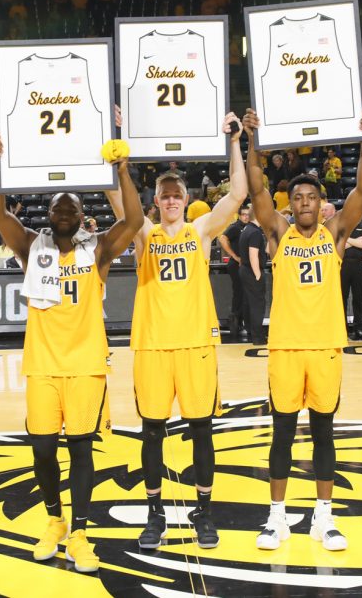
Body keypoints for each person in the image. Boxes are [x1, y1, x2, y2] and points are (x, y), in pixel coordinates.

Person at [0, 129, 142, 572]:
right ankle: (54, 520)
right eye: (58, 207)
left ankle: (81, 532)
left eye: (72, 207)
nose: (65, 213)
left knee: (81, 451)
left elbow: (132, 220)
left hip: (86, 365)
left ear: (82, 215)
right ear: (48, 215)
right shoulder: (31, 246)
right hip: (42, 366)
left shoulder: (99, 249)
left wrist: (123, 170)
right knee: (41, 451)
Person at [106, 113, 246, 550]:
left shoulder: (200, 230)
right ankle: (155, 514)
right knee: (152, 432)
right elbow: (115, 194)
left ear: (186, 200)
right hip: (152, 348)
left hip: (195, 347)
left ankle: (204, 512)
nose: (169, 200)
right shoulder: (143, 234)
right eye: (163, 196)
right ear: (154, 202)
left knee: (202, 430)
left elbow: (238, 193)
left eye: (176, 195)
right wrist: (119, 145)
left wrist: (235, 142)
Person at [245, 106, 362, 552]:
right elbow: (257, 188)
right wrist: (253, 141)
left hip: (325, 348)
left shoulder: (335, 233)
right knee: (282, 433)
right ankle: (276, 518)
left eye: (310, 198)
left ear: (321, 205)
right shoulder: (278, 234)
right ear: (289, 205)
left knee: (324, 432)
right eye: (297, 198)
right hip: (285, 348)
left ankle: (324, 518)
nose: (303, 203)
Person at [239, 205, 267, 345]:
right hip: (251, 270)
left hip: (245, 269)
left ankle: (251, 332)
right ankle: (258, 337)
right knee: (257, 304)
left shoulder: (246, 229)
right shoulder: (255, 232)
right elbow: (253, 255)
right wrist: (258, 274)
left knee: (250, 303)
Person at [219, 205, 249, 334]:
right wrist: (234, 256)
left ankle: (241, 322)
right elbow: (222, 238)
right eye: (244, 214)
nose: (246, 216)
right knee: (239, 293)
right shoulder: (236, 227)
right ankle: (235, 324)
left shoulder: (249, 226)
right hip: (236, 265)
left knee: (244, 294)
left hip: (246, 265)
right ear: (239, 215)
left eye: (248, 214)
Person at [342, 220, 362, 339]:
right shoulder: (342, 226)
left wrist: (347, 239)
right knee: (342, 298)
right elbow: (339, 245)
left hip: (358, 265)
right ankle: (342, 328)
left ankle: (359, 328)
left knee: (358, 298)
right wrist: (357, 241)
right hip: (343, 265)